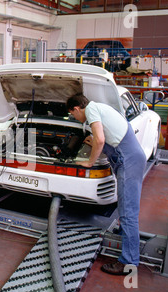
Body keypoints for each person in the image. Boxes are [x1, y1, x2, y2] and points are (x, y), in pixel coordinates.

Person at [66, 93, 146, 275]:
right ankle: (124, 234)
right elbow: (109, 137)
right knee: (126, 207)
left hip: (128, 160)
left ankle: (129, 262)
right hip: (128, 158)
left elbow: (101, 140)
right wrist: (93, 141)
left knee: (128, 213)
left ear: (77, 109)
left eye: (73, 115)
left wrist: (89, 162)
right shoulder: (100, 107)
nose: (76, 119)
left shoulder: (92, 109)